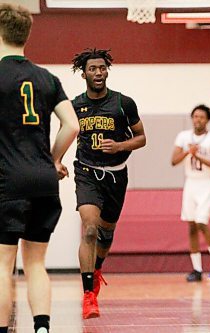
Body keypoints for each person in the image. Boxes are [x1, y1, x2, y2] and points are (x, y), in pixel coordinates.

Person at [0, 4, 79, 333]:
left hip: (7, 181)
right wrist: (53, 159)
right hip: (44, 181)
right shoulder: (47, 78)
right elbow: (71, 125)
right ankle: (43, 328)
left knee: (3, 265)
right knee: (36, 263)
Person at [71, 48, 146, 319]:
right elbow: (65, 135)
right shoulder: (75, 105)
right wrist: (54, 162)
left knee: (105, 234)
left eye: (102, 68)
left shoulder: (123, 103)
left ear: (107, 71)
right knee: (89, 229)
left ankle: (98, 266)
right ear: (84, 73)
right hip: (86, 172)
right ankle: (88, 295)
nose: (98, 73)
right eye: (93, 69)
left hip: (116, 174)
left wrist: (120, 146)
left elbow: (141, 138)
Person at [171, 104, 210, 282]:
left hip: (208, 184)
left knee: (202, 221)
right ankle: (196, 269)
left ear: (208, 119)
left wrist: (198, 156)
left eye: (201, 117)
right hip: (191, 183)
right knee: (191, 225)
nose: (198, 119)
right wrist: (189, 151)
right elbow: (174, 161)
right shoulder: (183, 137)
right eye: (195, 116)